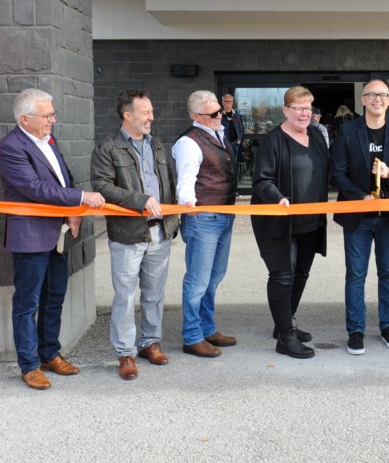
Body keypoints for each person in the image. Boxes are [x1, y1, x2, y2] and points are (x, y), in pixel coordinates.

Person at [0, 89, 106, 390]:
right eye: (47, 116)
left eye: (52, 114)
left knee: (54, 296)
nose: (52, 120)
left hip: (59, 232)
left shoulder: (49, 140)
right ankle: (29, 366)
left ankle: (49, 355)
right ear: (24, 119)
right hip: (30, 235)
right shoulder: (11, 148)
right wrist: (82, 198)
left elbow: (62, 178)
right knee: (28, 304)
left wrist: (72, 211)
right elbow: (36, 189)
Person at [91, 89, 180, 379]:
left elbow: (170, 182)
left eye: (151, 111)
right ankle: (125, 353)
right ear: (127, 115)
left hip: (160, 234)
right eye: (146, 112)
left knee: (154, 294)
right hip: (128, 235)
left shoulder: (158, 146)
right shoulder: (108, 148)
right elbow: (103, 187)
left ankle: (150, 343)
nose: (152, 117)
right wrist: (140, 200)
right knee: (126, 296)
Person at [331, 79, 389, 355]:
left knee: (388, 272)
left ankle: (386, 326)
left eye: (382, 95)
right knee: (356, 274)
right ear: (364, 100)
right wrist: (360, 197)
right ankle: (355, 331)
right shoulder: (348, 132)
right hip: (357, 214)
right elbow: (338, 173)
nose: (377, 99)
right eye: (372, 95)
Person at [251, 87, 330, 359]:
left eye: (308, 108)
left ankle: (284, 324)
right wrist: (278, 198)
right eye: (298, 108)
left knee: (301, 274)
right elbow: (261, 180)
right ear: (286, 110)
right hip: (279, 221)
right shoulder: (273, 140)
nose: (304, 113)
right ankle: (285, 338)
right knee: (283, 276)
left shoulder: (317, 136)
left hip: (310, 221)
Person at [173, 90, 238, 358]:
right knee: (198, 280)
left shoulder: (219, 133)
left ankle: (207, 328)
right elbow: (185, 180)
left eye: (219, 112)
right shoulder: (189, 142)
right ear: (195, 116)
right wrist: (191, 209)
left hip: (224, 214)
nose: (218, 116)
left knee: (214, 277)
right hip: (204, 218)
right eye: (212, 114)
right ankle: (192, 336)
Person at [222, 93, 244, 178]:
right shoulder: (220, 115)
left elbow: (241, 128)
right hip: (225, 145)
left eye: (230, 102)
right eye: (226, 102)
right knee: (225, 166)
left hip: (235, 144)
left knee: (234, 166)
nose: (228, 104)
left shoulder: (236, 115)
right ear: (222, 102)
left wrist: (239, 139)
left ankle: (234, 185)